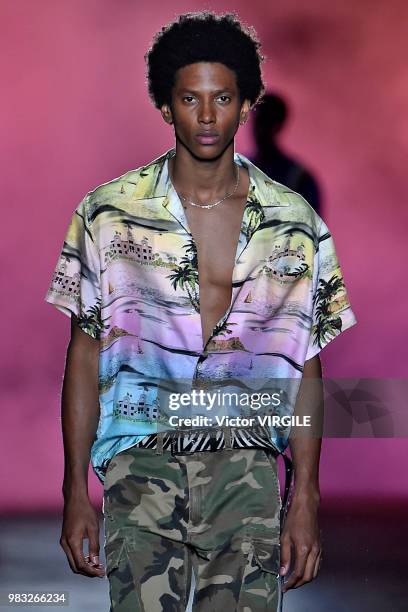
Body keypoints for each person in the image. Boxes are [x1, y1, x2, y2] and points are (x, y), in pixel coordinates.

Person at [44, 11, 358, 612]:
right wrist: (73, 490)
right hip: (140, 467)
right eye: (191, 98)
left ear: (247, 106)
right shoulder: (107, 214)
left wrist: (306, 497)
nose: (208, 116)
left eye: (224, 99)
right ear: (166, 106)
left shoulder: (294, 222)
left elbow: (305, 364)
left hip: (247, 471)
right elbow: (84, 351)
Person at [251, 93, 322, 215]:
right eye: (257, 121)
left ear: (277, 126)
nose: (259, 129)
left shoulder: (299, 178)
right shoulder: (235, 172)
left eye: (265, 122)